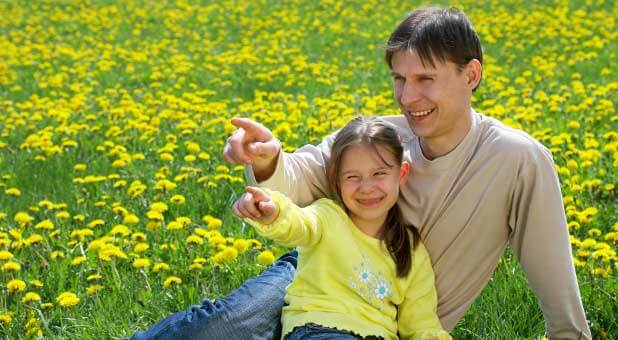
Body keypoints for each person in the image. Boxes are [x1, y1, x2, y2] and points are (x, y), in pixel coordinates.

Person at [131, 6, 591, 340]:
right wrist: (268, 157)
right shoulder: (378, 138)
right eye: (399, 79)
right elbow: (301, 173)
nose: (408, 97)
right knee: (224, 324)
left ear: (471, 75)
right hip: (322, 270)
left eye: (425, 79)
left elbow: (551, 267)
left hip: (397, 317)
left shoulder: (516, 159)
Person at [233, 117, 450, 340]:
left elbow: (420, 323)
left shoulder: (411, 249)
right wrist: (274, 211)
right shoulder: (328, 217)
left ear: (401, 174)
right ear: (337, 180)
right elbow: (298, 223)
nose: (367, 187)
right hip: (318, 329)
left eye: (379, 174)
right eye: (353, 177)